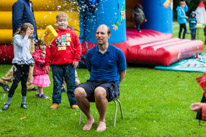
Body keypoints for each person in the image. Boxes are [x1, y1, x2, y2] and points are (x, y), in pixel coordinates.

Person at [74, 24, 127, 132]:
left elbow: (122, 72)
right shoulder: (90, 53)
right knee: (78, 91)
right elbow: (90, 69)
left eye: (102, 33)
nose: (99, 35)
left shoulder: (118, 52)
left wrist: (116, 84)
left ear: (109, 35)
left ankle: (102, 120)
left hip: (110, 83)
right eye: (97, 33)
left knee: (99, 91)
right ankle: (89, 118)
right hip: (93, 81)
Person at [45, 12, 82, 110]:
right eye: (60, 21)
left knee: (71, 84)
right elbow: (48, 48)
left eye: (64, 21)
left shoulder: (72, 33)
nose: (62, 23)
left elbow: (78, 46)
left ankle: (73, 102)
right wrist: (47, 63)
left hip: (70, 63)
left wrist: (76, 59)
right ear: (57, 22)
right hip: (56, 64)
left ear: (67, 22)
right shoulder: (53, 34)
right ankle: (56, 102)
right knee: (57, 84)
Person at [0, 0, 38, 92]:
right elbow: (17, 21)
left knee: (30, 60)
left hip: (30, 36)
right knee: (23, 60)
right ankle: (4, 80)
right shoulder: (19, 3)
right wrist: (22, 36)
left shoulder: (29, 3)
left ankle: (29, 84)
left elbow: (31, 22)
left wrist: (35, 36)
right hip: (24, 37)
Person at [2, 23, 35, 110]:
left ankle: (23, 103)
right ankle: (7, 102)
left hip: (26, 63)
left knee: (24, 83)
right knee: (15, 83)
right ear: (23, 31)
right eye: (29, 32)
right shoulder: (17, 37)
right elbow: (21, 45)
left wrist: (30, 59)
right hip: (18, 63)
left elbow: (27, 51)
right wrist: (26, 36)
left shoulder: (27, 39)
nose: (30, 35)